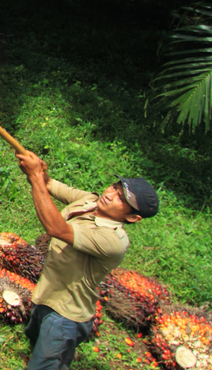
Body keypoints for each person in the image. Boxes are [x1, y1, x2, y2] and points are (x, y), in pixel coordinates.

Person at [16, 149, 159, 370]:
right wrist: (39, 171)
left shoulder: (112, 240)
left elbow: (56, 228)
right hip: (46, 295)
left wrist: (35, 176)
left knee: (44, 364)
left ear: (133, 217)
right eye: (114, 187)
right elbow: (49, 184)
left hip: (65, 314)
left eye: (121, 198)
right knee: (34, 340)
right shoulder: (91, 202)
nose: (110, 194)